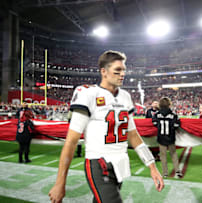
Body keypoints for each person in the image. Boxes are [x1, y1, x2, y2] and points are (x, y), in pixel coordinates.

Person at [49, 50, 164, 203]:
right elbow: (71, 141)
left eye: (123, 70)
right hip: (99, 162)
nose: (122, 74)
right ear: (103, 71)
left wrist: (151, 166)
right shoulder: (88, 95)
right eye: (117, 71)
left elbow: (133, 135)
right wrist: (60, 182)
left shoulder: (125, 97)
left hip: (120, 163)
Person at [152, 97, 182, 178]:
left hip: (161, 137)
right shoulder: (174, 115)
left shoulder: (157, 114)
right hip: (171, 137)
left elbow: (154, 123)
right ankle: (178, 171)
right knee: (173, 154)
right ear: (169, 104)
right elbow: (177, 125)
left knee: (163, 156)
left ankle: (165, 173)